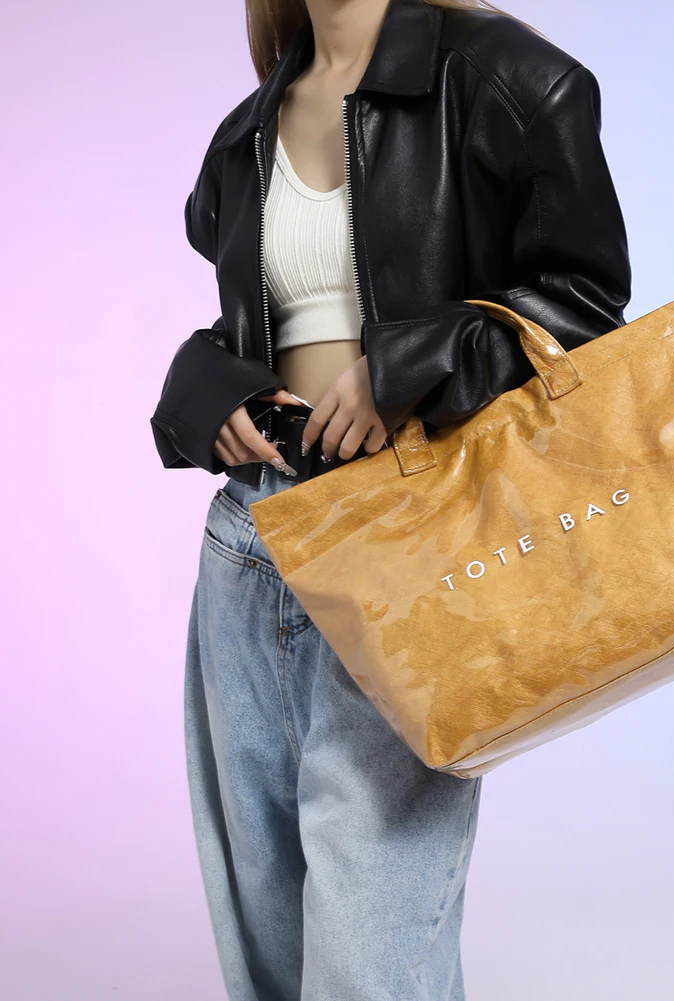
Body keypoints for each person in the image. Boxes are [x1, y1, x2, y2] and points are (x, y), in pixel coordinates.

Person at [150, 0, 631, 996]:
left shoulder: (506, 79)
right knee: (264, 935)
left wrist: (406, 366)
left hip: (411, 544)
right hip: (250, 539)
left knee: (371, 944)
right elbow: (248, 326)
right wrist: (209, 393)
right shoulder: (246, 132)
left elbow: (583, 310)